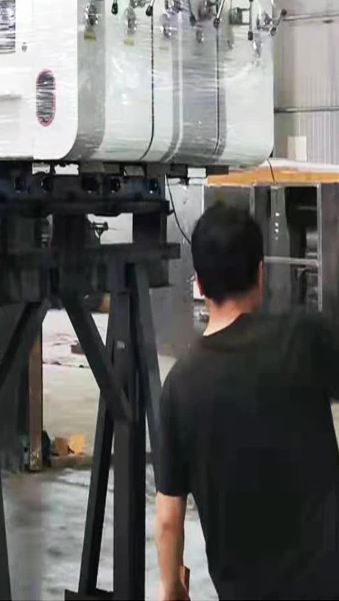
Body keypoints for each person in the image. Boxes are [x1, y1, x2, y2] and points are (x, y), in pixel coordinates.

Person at [155, 202, 339, 601]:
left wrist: (172, 588)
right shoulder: (304, 337)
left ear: (198, 284)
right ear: (260, 273)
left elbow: (169, 518)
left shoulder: (179, 387)